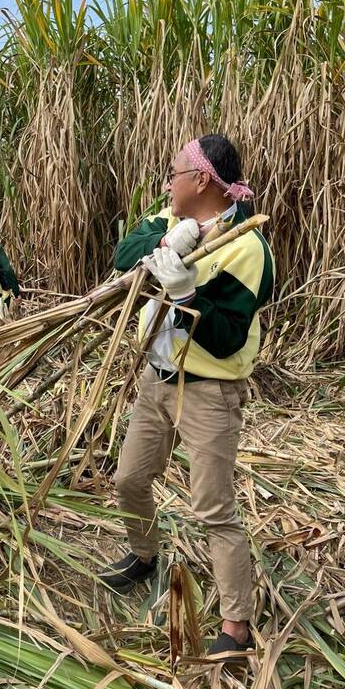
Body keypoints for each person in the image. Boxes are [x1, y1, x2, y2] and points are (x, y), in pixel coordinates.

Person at [98, 134, 274, 659]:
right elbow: (122, 256)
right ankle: (144, 553)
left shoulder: (246, 246)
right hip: (156, 380)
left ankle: (236, 623)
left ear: (201, 178)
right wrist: (173, 241)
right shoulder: (167, 220)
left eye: (174, 172)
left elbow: (226, 337)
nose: (167, 182)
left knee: (213, 508)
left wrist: (185, 294)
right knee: (130, 478)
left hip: (208, 391)